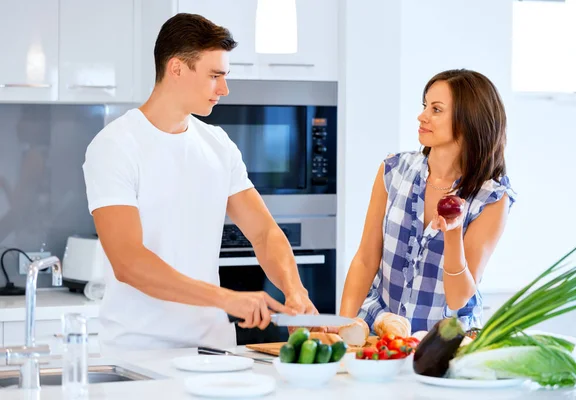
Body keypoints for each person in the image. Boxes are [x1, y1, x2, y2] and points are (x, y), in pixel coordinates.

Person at [82, 13, 316, 351]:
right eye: (215, 76)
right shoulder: (115, 146)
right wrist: (227, 299)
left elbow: (264, 234)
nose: (224, 88)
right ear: (176, 68)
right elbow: (128, 261)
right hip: (139, 352)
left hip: (213, 350)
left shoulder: (218, 144)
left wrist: (295, 290)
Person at [338, 69, 516, 333]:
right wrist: (345, 327)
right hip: (379, 330)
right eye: (425, 106)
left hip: (445, 343)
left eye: (436, 109)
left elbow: (458, 298)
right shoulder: (394, 170)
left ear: (469, 120)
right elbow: (365, 259)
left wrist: (453, 235)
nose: (422, 116)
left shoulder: (490, 197)